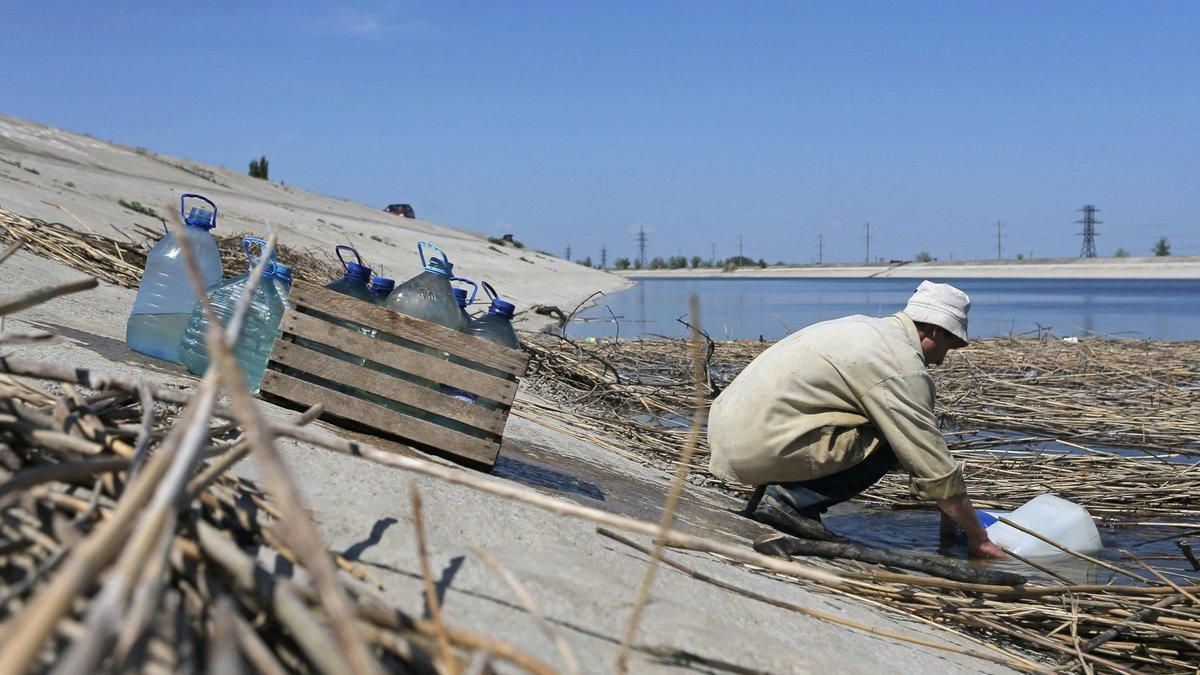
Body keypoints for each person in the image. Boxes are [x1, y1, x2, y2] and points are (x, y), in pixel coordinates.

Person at [707, 280, 1004, 558]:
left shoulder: (864, 328)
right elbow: (930, 461)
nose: (940, 360)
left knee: (884, 426)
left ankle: (774, 496)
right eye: (947, 349)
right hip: (760, 445)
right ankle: (791, 501)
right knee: (891, 439)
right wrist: (980, 540)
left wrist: (949, 522)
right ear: (936, 331)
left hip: (729, 435)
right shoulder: (901, 365)